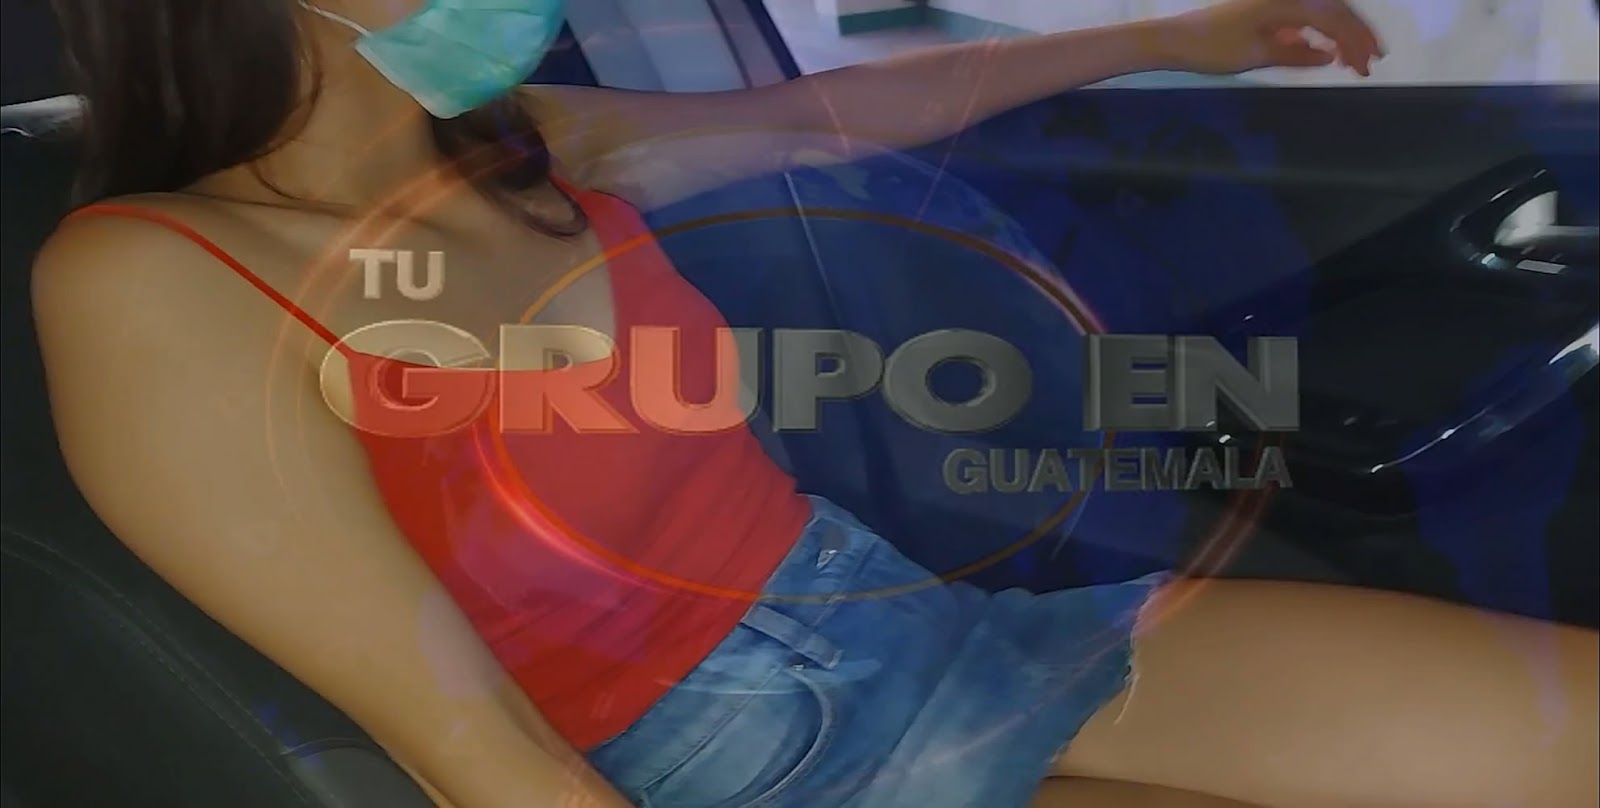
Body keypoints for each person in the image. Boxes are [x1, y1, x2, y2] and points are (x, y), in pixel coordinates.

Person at [30, 0, 1595, 806]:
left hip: (933, 632)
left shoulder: (531, 143)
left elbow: (834, 113)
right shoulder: (156, 274)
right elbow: (465, 748)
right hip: (715, 766)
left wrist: (1179, 39)